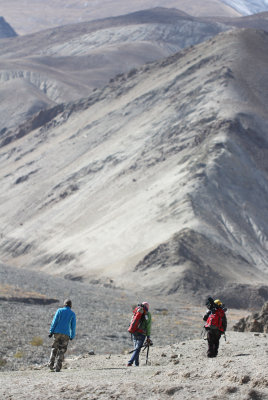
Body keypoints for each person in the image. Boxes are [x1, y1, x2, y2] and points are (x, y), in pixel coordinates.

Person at [48, 299, 76, 371]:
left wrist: (51, 331)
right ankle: (58, 367)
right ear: (71, 306)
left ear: (64, 304)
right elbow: (73, 326)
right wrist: (72, 336)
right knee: (62, 350)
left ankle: (51, 365)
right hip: (66, 334)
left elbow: (54, 321)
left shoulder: (59, 310)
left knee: (54, 348)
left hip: (57, 332)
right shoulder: (72, 314)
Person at [127, 301, 152, 366]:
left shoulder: (137, 311)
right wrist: (148, 337)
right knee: (137, 349)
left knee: (136, 348)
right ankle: (130, 362)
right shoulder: (148, 314)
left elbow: (132, 321)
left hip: (134, 332)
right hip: (142, 334)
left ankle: (136, 364)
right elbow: (148, 326)